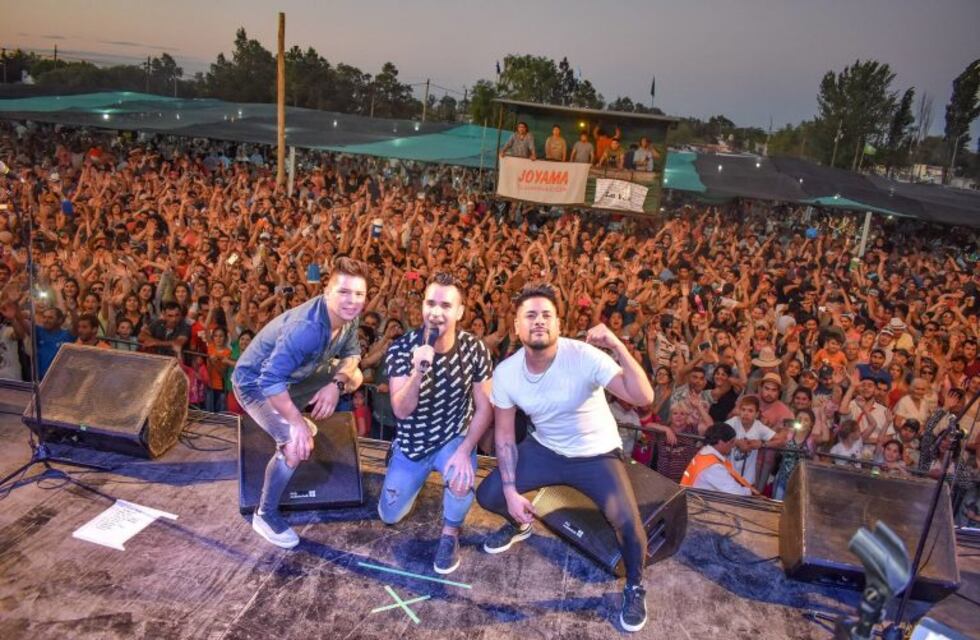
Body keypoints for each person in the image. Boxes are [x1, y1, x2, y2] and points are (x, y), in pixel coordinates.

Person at [475, 284, 655, 633]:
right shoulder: (507, 373)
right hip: (546, 449)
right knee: (490, 495)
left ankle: (634, 585)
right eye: (530, 315)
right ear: (516, 327)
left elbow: (643, 396)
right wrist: (512, 491)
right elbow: (504, 436)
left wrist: (617, 345)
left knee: (629, 527)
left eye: (546, 315)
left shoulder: (584, 356)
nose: (539, 321)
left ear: (559, 323)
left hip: (597, 454)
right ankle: (520, 524)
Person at [231, 258, 367, 549]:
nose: (352, 301)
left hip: (292, 378)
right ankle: (265, 515)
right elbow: (269, 382)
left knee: (355, 377)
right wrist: (295, 423)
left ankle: (293, 417)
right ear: (327, 292)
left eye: (359, 294)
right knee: (294, 446)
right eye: (344, 292)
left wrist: (336, 384)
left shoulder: (349, 316)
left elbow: (354, 354)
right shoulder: (306, 329)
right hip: (255, 384)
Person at [379, 273, 493, 574]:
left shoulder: (475, 350)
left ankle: (450, 534)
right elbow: (401, 411)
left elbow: (485, 408)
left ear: (459, 312)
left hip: (452, 439)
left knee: (460, 478)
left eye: (445, 305)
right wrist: (418, 371)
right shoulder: (402, 348)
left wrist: (466, 448)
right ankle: (405, 467)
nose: (436, 311)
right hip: (413, 441)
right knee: (389, 515)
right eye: (430, 303)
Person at [680, 422, 757, 496]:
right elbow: (736, 493)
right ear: (721, 442)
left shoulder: (705, 454)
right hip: (697, 504)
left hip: (693, 499)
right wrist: (750, 491)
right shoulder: (713, 466)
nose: (733, 446)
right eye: (731, 442)